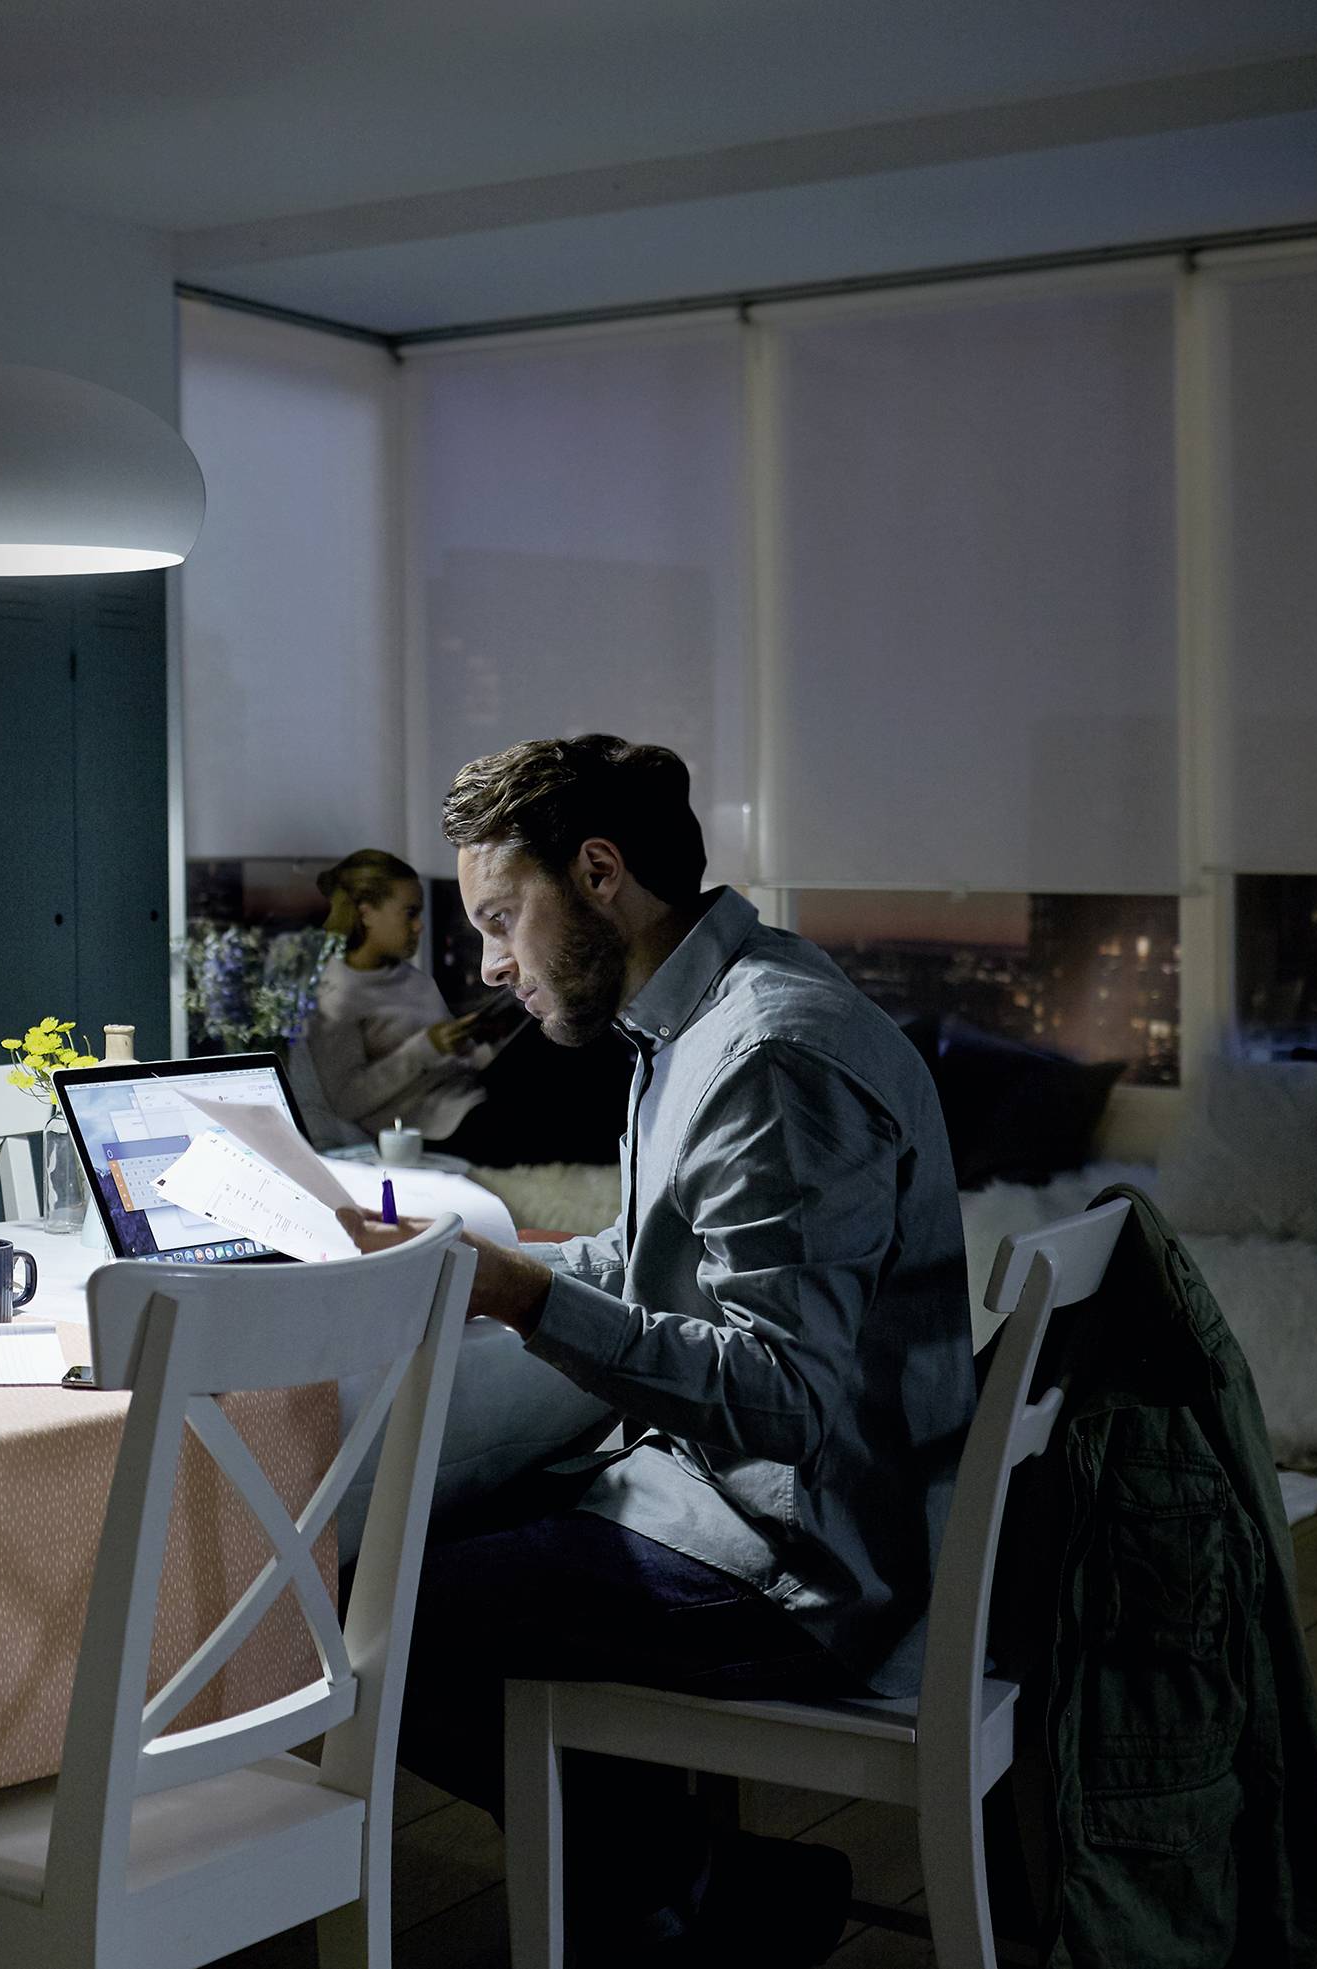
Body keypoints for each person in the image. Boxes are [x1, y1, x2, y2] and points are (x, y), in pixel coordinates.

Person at [342, 734, 974, 1966]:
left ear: (596, 872)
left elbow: (785, 1397)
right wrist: (494, 1264)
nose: (490, 964)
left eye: (499, 918)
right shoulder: (708, 1008)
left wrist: (524, 1297)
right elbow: (659, 1265)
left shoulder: (766, 1057)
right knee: (430, 1542)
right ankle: (700, 1885)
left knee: (375, 1614)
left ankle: (682, 1892)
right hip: (795, 1511)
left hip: (815, 1565)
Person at [293, 849, 502, 1150]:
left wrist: (487, 1041)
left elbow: (459, 1059)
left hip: (473, 1093)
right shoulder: (336, 996)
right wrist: (425, 1048)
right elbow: (346, 1102)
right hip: (432, 1128)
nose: (419, 926)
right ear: (365, 913)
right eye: (410, 913)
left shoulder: (414, 979)